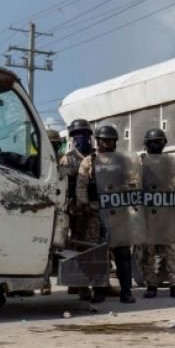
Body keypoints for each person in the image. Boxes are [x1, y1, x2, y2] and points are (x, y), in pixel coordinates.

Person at [76, 125, 136, 304]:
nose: (109, 143)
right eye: (105, 140)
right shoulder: (89, 161)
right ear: (98, 142)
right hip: (97, 214)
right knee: (98, 255)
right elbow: (81, 186)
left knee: (123, 254)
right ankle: (99, 290)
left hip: (119, 214)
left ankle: (126, 291)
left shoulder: (123, 161)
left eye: (112, 140)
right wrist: (85, 204)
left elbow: (133, 184)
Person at [138, 128, 175, 299]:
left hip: (167, 213)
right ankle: (151, 285)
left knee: (172, 248)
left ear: (163, 144)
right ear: (147, 145)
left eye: (158, 142)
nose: (155, 145)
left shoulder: (172, 162)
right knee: (148, 251)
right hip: (148, 214)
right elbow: (135, 185)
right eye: (152, 142)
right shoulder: (141, 163)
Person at [60, 119, 95, 300]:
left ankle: (89, 283)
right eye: (77, 135)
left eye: (84, 135)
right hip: (74, 208)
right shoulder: (67, 158)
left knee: (93, 245)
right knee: (74, 244)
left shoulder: (95, 157)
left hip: (93, 208)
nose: (81, 138)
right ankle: (76, 284)